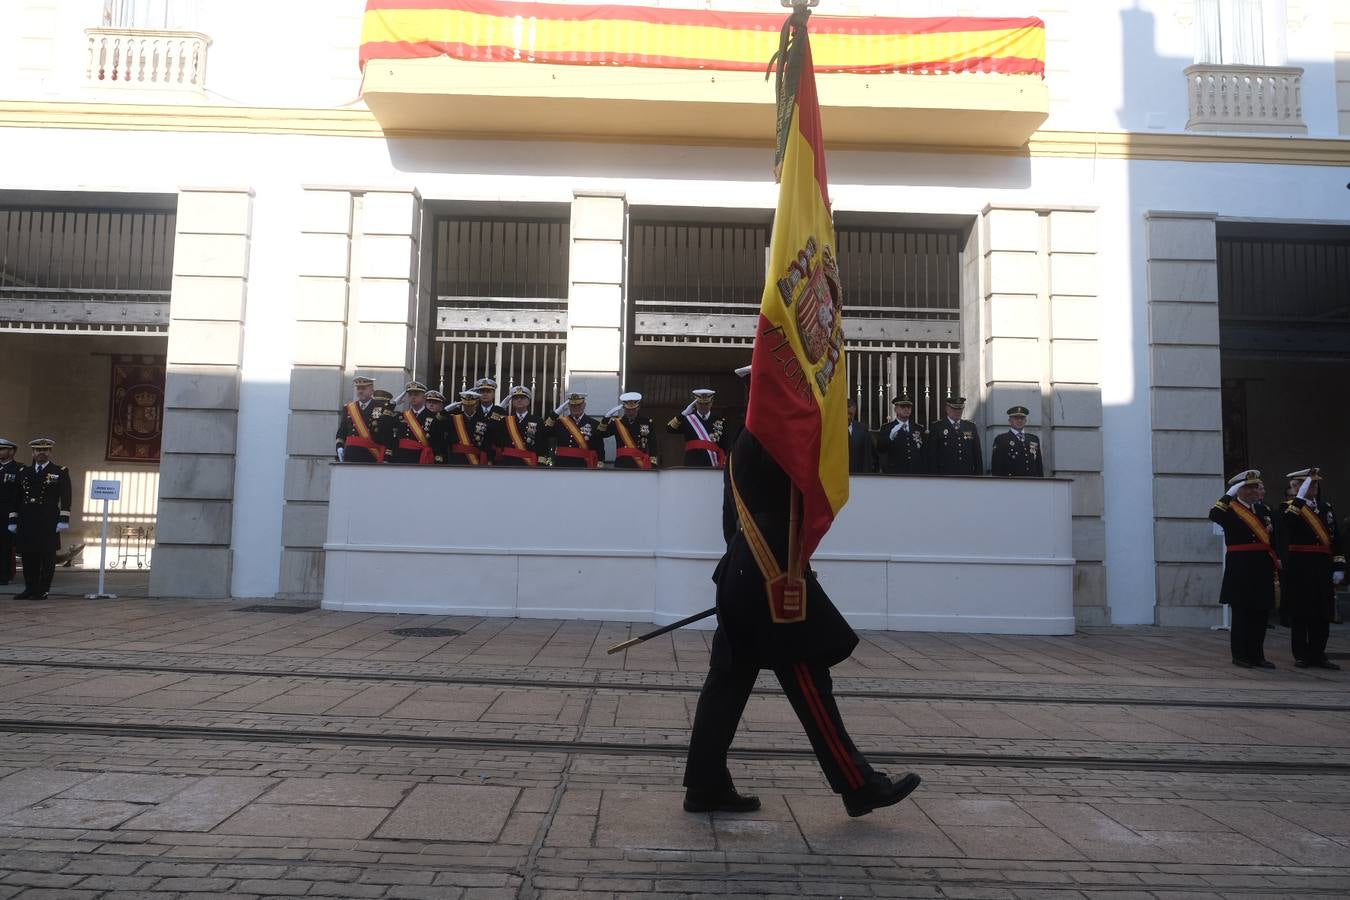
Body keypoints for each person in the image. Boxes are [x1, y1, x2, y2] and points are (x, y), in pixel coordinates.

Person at [683, 368, 921, 819]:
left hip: (744, 575)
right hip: (772, 580)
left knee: (728, 685)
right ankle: (858, 784)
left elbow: (731, 522)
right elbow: (802, 495)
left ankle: (705, 784)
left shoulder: (744, 438)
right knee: (809, 679)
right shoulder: (772, 439)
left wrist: (744, 572)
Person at [1210, 469, 1279, 669]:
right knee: (1242, 613)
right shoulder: (1229, 509)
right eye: (1247, 487)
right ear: (1238, 489)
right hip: (1241, 567)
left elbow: (1272, 539)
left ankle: (1257, 655)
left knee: (1260, 613)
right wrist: (1228, 495)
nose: (1252, 491)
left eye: (1254, 487)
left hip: (1262, 567)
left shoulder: (1264, 510)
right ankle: (1240, 655)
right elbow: (1213, 514)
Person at [1279, 468, 1344, 669]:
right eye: (1309, 484)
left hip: (1322, 567)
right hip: (1301, 567)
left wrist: (1339, 565)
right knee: (1301, 612)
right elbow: (1288, 522)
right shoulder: (1289, 507)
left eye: (1315, 484)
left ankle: (1318, 653)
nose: (1314, 487)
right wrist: (1299, 498)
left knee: (1322, 613)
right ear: (1297, 487)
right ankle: (1301, 654)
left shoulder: (1326, 507)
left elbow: (1335, 539)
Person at [8, 438, 72, 601]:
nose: (41, 453)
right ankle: (30, 588)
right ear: (33, 453)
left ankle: (43, 590)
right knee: (28, 556)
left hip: (48, 518)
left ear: (50, 452)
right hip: (27, 517)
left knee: (47, 556)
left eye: (45, 450)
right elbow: (16, 498)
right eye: (38, 450)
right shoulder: (24, 472)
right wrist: (13, 519)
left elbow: (66, 496)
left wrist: (63, 518)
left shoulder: (60, 471)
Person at [667, 388, 730, 468]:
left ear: (711, 403)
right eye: (700, 404)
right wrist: (683, 414)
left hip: (713, 464)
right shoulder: (688, 419)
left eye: (706, 404)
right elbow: (669, 429)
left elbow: (725, 444)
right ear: (695, 403)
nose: (703, 406)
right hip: (692, 463)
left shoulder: (720, 421)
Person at [489, 385, 547, 467]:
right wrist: (499, 409)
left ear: (528, 401)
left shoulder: (537, 420)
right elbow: (491, 430)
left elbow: (542, 444)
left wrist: (541, 464)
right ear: (512, 402)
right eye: (516, 398)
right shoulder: (505, 421)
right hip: (509, 462)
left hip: (529, 464)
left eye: (522, 398)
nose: (519, 400)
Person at [925, 396, 983, 476]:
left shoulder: (970, 426)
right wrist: (933, 477)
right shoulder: (937, 427)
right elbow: (932, 455)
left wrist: (979, 475)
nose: (958, 412)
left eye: (960, 409)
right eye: (954, 409)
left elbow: (977, 453)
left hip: (967, 474)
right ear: (947, 409)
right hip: (945, 475)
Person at [546, 392, 605, 469]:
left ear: (584, 405)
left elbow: (599, 446)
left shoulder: (594, 424)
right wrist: (554, 414)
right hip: (562, 464)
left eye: (578, 405)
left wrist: (600, 461)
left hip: (584, 465)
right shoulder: (560, 423)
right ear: (569, 406)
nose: (576, 408)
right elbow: (546, 432)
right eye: (573, 405)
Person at [335, 376, 387, 463]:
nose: (360, 391)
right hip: (351, 454)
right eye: (358, 388)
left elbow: (385, 434)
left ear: (371, 391)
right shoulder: (349, 408)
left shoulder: (380, 408)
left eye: (364, 388)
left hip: (370, 455)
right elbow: (341, 432)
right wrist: (339, 447)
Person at [603, 392, 657, 469]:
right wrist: (606, 418)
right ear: (624, 408)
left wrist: (653, 463)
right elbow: (600, 434)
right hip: (622, 463)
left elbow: (653, 444)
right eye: (628, 410)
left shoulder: (647, 422)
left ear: (638, 407)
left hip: (640, 464)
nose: (631, 412)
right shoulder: (617, 423)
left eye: (633, 409)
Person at [387, 381, 436, 465]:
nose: (413, 397)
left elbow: (436, 441)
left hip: (421, 458)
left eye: (416, 394)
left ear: (424, 397)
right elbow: (384, 422)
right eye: (410, 395)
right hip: (402, 457)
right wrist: (393, 404)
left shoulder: (433, 417)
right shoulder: (401, 416)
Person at [874, 396, 925, 475]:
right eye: (902, 406)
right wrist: (890, 437)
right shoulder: (887, 428)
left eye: (908, 407)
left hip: (916, 472)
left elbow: (923, 451)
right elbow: (880, 448)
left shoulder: (918, 428)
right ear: (895, 409)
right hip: (895, 472)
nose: (906, 409)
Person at [989, 406, 1044, 477]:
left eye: (1022, 418)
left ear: (1025, 421)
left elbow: (1039, 465)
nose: (1019, 421)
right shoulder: (1001, 439)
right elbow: (996, 466)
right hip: (1011, 483)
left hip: (1031, 482)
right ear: (1009, 421)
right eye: (1016, 418)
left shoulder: (1033, 439)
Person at [442, 390, 491, 465]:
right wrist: (445, 411)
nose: (468, 408)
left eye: (471, 405)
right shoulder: (454, 419)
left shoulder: (484, 420)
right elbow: (436, 427)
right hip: (457, 460)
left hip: (476, 460)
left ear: (476, 404)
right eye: (465, 405)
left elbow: (488, 442)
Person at [0, 438, 21, 585]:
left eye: (2, 449)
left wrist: (15, 515)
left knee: (5, 545)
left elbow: (18, 495)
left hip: (7, 513)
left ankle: (4, 574)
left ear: (12, 451)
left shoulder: (19, 469)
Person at [845, 398, 876, 474]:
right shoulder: (833, 428)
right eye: (846, 413)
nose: (848, 417)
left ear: (855, 412)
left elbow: (867, 455)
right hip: (838, 475)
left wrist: (866, 475)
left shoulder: (863, 429)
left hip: (858, 475)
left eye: (851, 414)